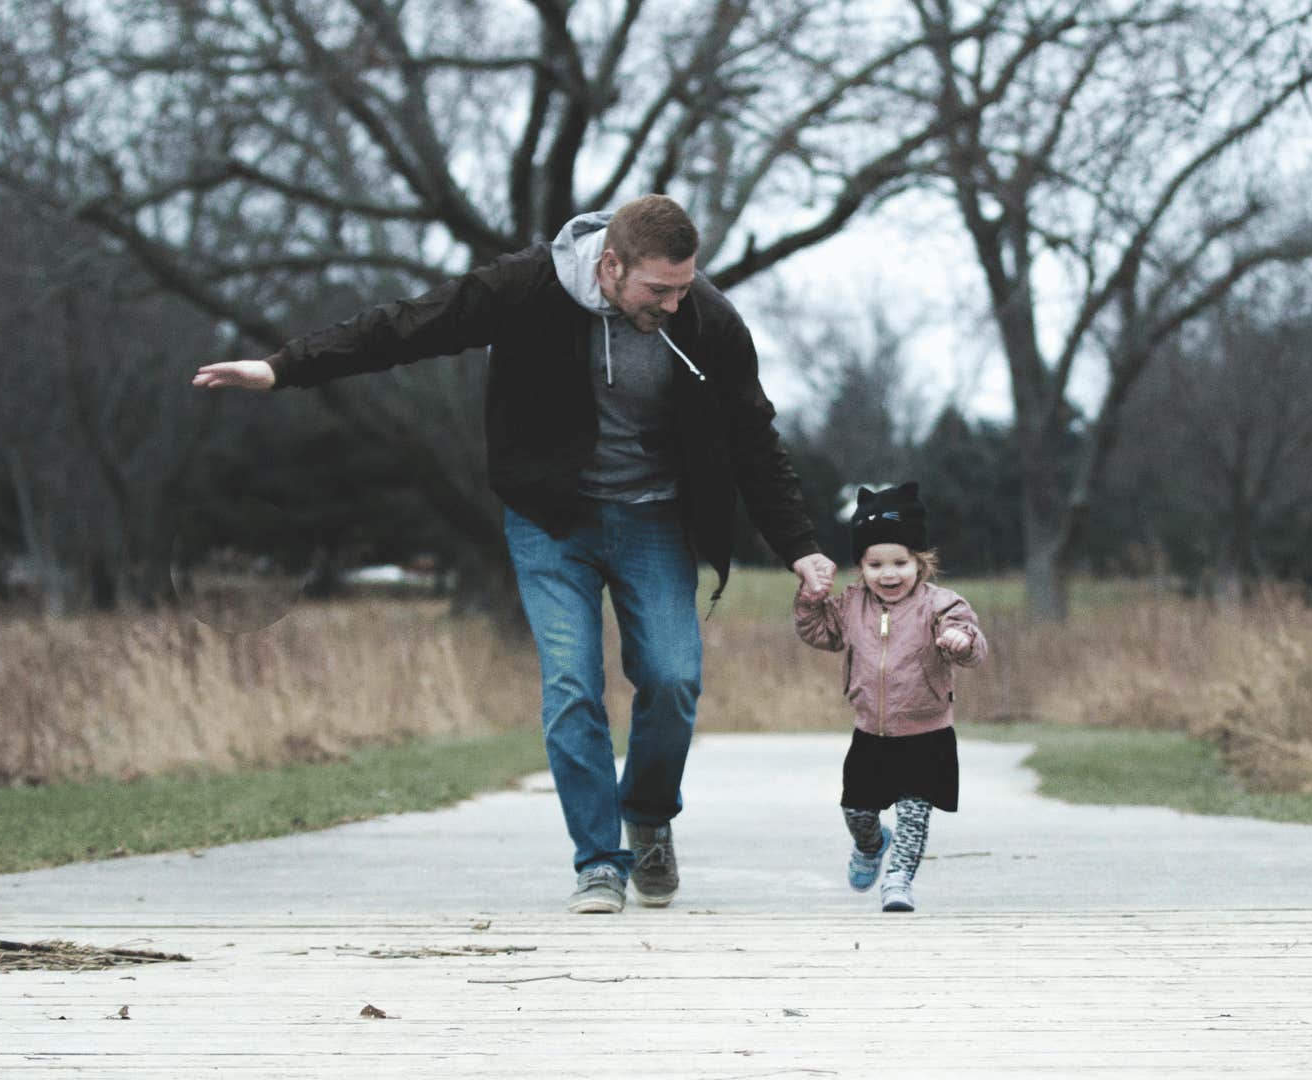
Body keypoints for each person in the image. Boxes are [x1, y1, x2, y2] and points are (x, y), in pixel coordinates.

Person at [194, 195, 837, 914]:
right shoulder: (525, 287)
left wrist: (801, 550)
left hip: (653, 519)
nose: (674, 301)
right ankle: (599, 860)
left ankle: (649, 816)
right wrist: (284, 368)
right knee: (571, 685)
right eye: (659, 290)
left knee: (673, 677)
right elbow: (408, 326)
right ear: (611, 264)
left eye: (684, 285)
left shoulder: (707, 319)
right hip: (550, 519)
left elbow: (754, 438)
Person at [793, 482, 986, 912]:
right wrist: (809, 602)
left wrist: (961, 639)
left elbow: (974, 645)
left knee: (915, 816)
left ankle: (898, 882)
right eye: (875, 564)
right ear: (860, 567)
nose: (889, 574)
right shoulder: (850, 605)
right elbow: (818, 633)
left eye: (900, 562)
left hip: (927, 734)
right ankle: (872, 844)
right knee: (857, 812)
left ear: (920, 562)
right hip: (870, 734)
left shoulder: (941, 606)